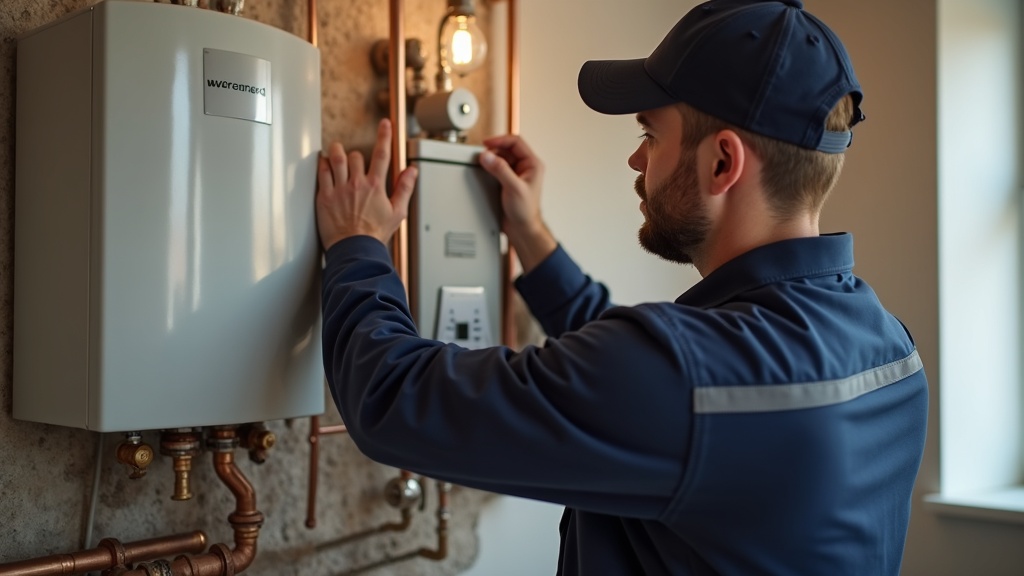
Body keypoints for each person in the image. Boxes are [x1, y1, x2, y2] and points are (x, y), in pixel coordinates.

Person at [315, 0, 928, 574]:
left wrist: (358, 243)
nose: (637, 162)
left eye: (650, 135)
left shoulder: (685, 380)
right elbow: (636, 378)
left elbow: (392, 399)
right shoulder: (890, 348)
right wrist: (530, 236)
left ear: (723, 163)